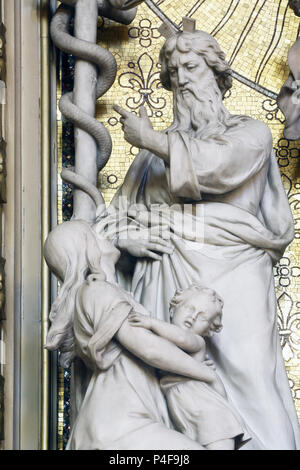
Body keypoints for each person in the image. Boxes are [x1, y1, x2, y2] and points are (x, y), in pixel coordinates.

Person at [104, 29, 300, 449]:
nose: (183, 80)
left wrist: (153, 140)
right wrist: (129, 241)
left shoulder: (251, 133)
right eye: (174, 73)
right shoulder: (148, 159)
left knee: (250, 374)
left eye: (192, 67)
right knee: (169, 380)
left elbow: (218, 167)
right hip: (163, 276)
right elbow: (112, 220)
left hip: (237, 274)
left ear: (217, 73)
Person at [45, 219, 211, 450]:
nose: (107, 235)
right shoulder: (96, 291)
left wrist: (191, 357)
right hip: (118, 425)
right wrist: (204, 374)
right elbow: (148, 349)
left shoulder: (110, 291)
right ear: (87, 247)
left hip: (127, 421)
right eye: (95, 233)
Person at [129, 284, 250, 450]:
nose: (192, 317)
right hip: (187, 411)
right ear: (173, 310)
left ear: (208, 330)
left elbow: (181, 337)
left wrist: (151, 323)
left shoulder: (196, 342)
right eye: (189, 308)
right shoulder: (162, 343)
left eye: (202, 317)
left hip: (208, 411)